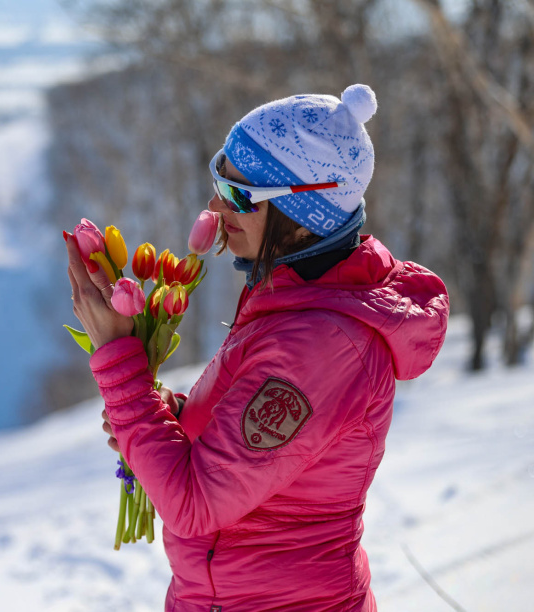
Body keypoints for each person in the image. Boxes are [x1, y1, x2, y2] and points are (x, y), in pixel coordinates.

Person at [66, 84, 449, 611]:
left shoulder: (322, 343)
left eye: (241, 195)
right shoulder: (295, 297)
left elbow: (196, 503)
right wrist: (170, 418)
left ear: (305, 214)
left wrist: (121, 368)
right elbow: (263, 453)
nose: (216, 207)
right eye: (219, 180)